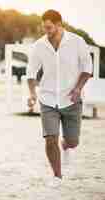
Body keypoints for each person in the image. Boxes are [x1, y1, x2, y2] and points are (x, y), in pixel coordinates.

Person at [26, 10, 92, 185]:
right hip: (47, 98)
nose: (46, 31)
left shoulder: (77, 42)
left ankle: (66, 145)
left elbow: (87, 68)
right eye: (44, 27)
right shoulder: (39, 45)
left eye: (49, 27)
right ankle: (57, 176)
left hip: (72, 99)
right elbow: (31, 72)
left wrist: (78, 88)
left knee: (73, 141)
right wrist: (32, 93)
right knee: (50, 138)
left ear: (59, 24)